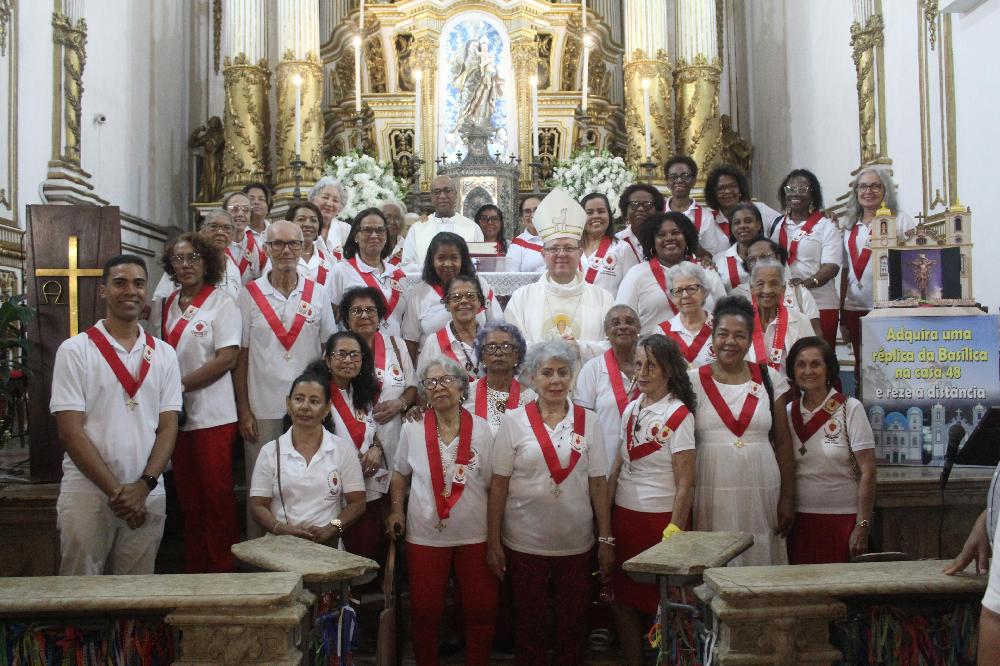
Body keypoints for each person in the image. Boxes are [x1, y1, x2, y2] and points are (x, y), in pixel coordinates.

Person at [51, 255, 182, 575]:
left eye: (138, 283)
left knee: (137, 596)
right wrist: (117, 493)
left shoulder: (163, 353)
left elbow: (168, 427)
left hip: (147, 493)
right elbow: (70, 431)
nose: (130, 291)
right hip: (88, 491)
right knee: (80, 594)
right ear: (103, 291)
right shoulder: (76, 350)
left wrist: (144, 485)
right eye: (120, 282)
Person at [488, 340, 614, 666]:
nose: (555, 380)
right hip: (524, 540)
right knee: (529, 624)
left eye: (562, 372)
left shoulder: (591, 422)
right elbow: (499, 484)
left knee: (573, 625)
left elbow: (598, 484)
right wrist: (493, 541)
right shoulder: (514, 421)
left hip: (576, 541)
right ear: (532, 377)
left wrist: (605, 539)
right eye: (547, 373)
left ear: (572, 376)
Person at [386, 357, 497, 666]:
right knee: (424, 610)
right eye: (431, 383)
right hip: (425, 535)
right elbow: (399, 475)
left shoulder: (483, 430)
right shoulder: (413, 426)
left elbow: (491, 483)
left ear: (462, 386)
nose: (439, 387)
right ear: (424, 392)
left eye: (447, 380)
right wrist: (396, 511)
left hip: (475, 532)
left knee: (481, 608)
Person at [236, 220, 337, 538]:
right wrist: (244, 409)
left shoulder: (317, 292)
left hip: (308, 408)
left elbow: (328, 351)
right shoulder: (249, 294)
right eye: (277, 244)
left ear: (303, 247)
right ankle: (260, 559)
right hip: (263, 406)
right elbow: (240, 355)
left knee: (309, 485)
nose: (286, 251)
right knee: (261, 487)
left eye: (293, 244)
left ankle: (313, 548)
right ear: (266, 248)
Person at [149, 233, 241, 573]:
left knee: (216, 497)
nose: (185, 265)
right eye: (178, 259)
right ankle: (196, 568)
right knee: (188, 498)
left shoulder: (222, 302)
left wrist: (176, 386)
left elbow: (227, 358)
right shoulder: (167, 304)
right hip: (176, 416)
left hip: (213, 415)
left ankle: (222, 570)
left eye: (193, 258)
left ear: (207, 262)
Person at [608, 334, 697, 666]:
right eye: (639, 364)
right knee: (624, 598)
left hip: (661, 521)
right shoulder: (632, 407)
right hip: (626, 517)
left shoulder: (679, 415)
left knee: (667, 603)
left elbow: (686, 482)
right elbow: (618, 464)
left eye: (651, 366)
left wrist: (674, 527)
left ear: (669, 371)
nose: (642, 372)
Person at [691, 296, 794, 566]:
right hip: (712, 484)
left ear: (750, 340)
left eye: (739, 336)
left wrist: (787, 497)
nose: (730, 342)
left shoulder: (771, 378)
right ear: (712, 337)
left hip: (761, 485)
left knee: (760, 552)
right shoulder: (692, 381)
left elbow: (783, 442)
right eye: (723, 334)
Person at [249, 369, 367, 546]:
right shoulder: (270, 451)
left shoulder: (342, 449)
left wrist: (332, 528)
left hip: (329, 545)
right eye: (298, 399)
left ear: (327, 408)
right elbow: (257, 506)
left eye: (314, 401)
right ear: (288, 404)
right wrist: (281, 529)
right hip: (281, 546)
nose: (305, 407)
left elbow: (357, 503)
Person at [784, 337, 875, 564]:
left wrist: (862, 526)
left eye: (816, 364)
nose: (808, 371)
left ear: (829, 368)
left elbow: (868, 473)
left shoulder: (849, 408)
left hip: (843, 520)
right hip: (798, 522)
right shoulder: (787, 412)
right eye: (801, 364)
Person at [505, 188, 615, 363]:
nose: (561, 254)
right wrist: (548, 349)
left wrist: (580, 348)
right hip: (535, 388)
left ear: (580, 253)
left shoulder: (603, 299)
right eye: (554, 248)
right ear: (543, 254)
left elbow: (615, 346)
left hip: (589, 388)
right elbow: (509, 345)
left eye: (569, 248)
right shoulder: (522, 298)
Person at [839, 167, 916, 387]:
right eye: (863, 186)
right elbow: (846, 270)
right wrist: (841, 313)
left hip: (890, 308)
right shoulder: (849, 226)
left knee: (892, 365)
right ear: (856, 192)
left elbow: (914, 261)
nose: (868, 191)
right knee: (862, 367)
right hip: (855, 308)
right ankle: (864, 415)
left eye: (875, 186)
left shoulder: (900, 220)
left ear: (886, 190)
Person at [322, 331, 389, 566]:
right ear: (328, 359)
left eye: (355, 355)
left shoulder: (365, 391)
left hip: (367, 485)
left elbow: (375, 432)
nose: (348, 360)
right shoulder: (317, 392)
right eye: (341, 354)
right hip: (331, 489)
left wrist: (376, 450)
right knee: (336, 555)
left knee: (366, 552)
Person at [340, 286, 418, 467]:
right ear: (346, 319)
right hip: (354, 437)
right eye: (356, 311)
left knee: (395, 488)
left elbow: (412, 387)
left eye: (370, 310)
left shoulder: (397, 345)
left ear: (380, 315)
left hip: (394, 435)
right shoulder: (338, 349)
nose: (364, 315)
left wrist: (401, 403)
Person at [615, 211, 726, 335]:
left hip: (704, 350)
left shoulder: (706, 271)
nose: (669, 238)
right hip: (654, 350)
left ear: (686, 237)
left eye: (676, 233)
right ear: (652, 241)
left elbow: (726, 314)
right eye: (661, 235)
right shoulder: (636, 274)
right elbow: (621, 317)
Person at [767, 169, 842, 348]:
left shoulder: (826, 225)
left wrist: (805, 284)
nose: (795, 193)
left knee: (821, 356)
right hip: (784, 302)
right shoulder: (776, 224)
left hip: (820, 302)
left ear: (813, 194)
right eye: (790, 188)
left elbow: (831, 267)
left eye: (802, 189)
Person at [401, 232, 502, 355]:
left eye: (454, 258)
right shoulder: (419, 293)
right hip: (435, 368)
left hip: (478, 365)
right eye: (441, 258)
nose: (447, 264)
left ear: (462, 260)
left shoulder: (479, 284)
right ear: (432, 261)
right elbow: (410, 339)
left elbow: (498, 326)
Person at [574, 305, 641, 467]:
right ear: (606, 331)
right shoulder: (593, 368)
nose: (623, 326)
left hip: (647, 462)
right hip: (604, 462)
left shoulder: (652, 367)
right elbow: (581, 421)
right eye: (615, 323)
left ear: (639, 328)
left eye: (629, 322)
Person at [328, 208, 408, 337]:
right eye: (367, 230)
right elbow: (329, 320)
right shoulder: (341, 271)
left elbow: (404, 321)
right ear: (355, 235)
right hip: (355, 352)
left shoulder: (398, 275)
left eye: (380, 230)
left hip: (392, 351)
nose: (374, 235)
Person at [733, 237, 822, 335]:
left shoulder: (798, 290)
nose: (759, 262)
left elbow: (815, 338)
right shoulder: (736, 295)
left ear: (778, 257)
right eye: (752, 259)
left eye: (764, 256)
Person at [149, 209, 241, 302]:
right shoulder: (184, 262)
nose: (220, 232)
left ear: (233, 234)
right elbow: (160, 301)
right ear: (203, 230)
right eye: (214, 226)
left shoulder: (234, 269)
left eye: (227, 228)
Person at [465, 320, 535, 434]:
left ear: (517, 355)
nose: (498, 353)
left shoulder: (530, 398)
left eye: (506, 346)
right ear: (482, 356)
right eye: (491, 347)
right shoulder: (467, 393)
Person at [746, 258, 815, 374]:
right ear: (751, 288)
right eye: (760, 284)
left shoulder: (800, 320)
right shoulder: (740, 322)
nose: (767, 290)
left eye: (774, 284)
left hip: (789, 389)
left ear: (783, 288)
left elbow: (812, 360)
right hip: (749, 390)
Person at [401, 175, 483, 271]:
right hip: (427, 284)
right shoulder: (417, 229)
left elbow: (480, 264)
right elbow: (406, 265)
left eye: (447, 190)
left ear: (455, 194)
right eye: (437, 192)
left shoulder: (473, 228)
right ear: (431, 197)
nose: (442, 196)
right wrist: (432, 271)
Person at [418, 274, 488, 383]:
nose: (464, 301)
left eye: (470, 296)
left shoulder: (491, 339)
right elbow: (423, 386)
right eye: (456, 297)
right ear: (447, 303)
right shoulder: (434, 342)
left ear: (480, 302)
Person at [665, 155, 728, 256]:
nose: (679, 180)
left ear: (694, 181)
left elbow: (710, 255)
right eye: (673, 177)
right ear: (667, 182)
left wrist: (692, 243)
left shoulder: (706, 216)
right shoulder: (658, 211)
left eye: (685, 176)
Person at [704, 163, 781, 240]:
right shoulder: (709, 219)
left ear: (740, 188)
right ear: (713, 193)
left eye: (732, 186)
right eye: (721, 188)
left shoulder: (759, 209)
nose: (727, 191)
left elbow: (782, 227)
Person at [660, 263, 716, 368]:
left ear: (704, 291)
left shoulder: (721, 326)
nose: (685, 295)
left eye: (691, 288)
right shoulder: (661, 333)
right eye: (679, 291)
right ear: (671, 297)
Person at [579, 192, 628, 294]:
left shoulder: (623, 248)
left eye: (601, 211)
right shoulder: (571, 248)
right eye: (589, 212)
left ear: (609, 215)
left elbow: (630, 290)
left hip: (608, 309)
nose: (595, 216)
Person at [714, 202, 764, 293]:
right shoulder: (719, 260)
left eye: (748, 221)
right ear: (732, 228)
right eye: (737, 223)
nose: (742, 226)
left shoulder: (774, 254)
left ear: (758, 225)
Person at [615, 183, 666, 271]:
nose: (640, 209)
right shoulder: (616, 241)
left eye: (647, 204)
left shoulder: (666, 239)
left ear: (657, 209)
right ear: (625, 210)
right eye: (634, 204)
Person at [285, 200, 334, 288]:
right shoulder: (279, 256)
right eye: (301, 219)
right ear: (290, 223)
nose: (308, 224)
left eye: (313, 220)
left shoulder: (328, 259)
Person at [226, 191, 267, 284]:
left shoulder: (259, 246)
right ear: (225, 214)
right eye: (235, 209)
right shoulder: (215, 245)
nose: (240, 214)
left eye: (246, 210)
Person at [309, 176, 352, 257]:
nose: (329, 203)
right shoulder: (303, 226)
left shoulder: (345, 230)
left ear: (340, 207)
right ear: (313, 199)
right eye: (325, 197)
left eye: (335, 200)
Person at [505, 195, 545, 272]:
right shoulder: (517, 245)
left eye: (537, 210)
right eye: (527, 211)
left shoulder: (559, 237)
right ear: (522, 218)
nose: (533, 215)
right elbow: (511, 276)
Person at [380, 199, 407, 265]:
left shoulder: (407, 247)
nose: (392, 222)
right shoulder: (371, 246)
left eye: (397, 218)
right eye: (387, 217)